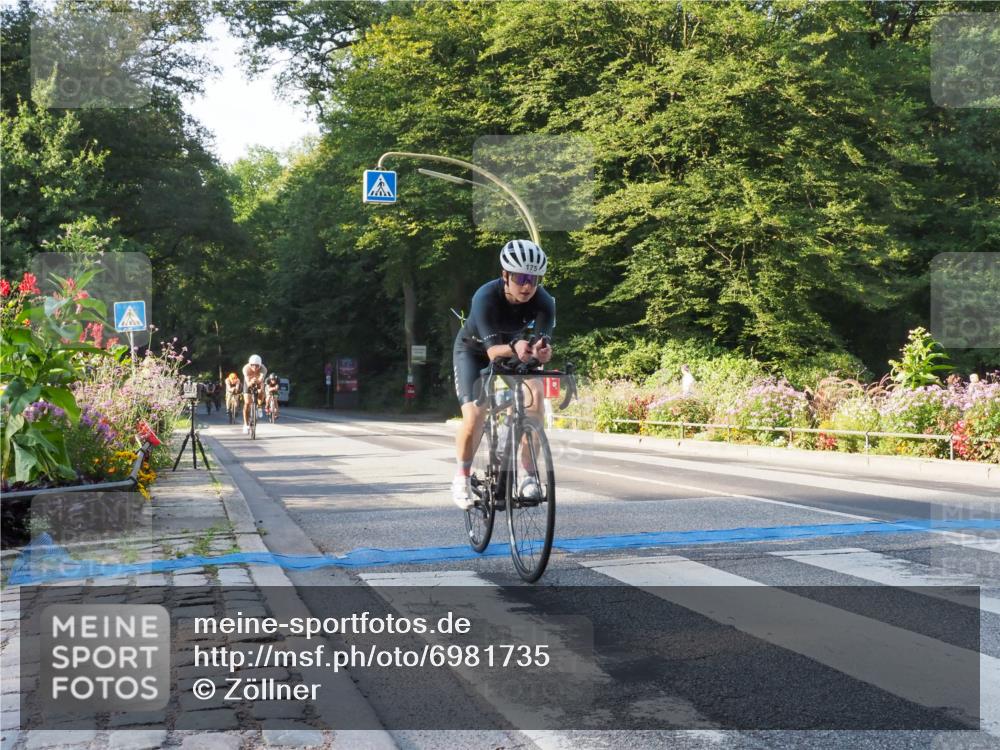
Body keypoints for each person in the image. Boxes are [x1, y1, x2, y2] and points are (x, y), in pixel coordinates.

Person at [451, 239, 555, 510]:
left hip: (514, 350)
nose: (527, 286)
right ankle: (461, 478)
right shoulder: (484, 297)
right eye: (520, 278)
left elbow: (539, 345)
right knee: (474, 415)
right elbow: (491, 353)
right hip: (474, 353)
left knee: (536, 398)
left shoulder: (544, 302)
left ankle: (528, 476)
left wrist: (542, 351)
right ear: (505, 275)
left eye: (533, 279)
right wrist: (515, 346)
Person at [242, 354, 268, 434]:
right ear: (249, 364)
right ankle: (246, 425)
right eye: (252, 365)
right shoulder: (246, 369)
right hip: (248, 382)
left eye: (257, 366)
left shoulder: (263, 369)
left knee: (262, 391)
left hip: (258, 381)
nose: (254, 368)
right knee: (247, 403)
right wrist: (251, 382)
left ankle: (259, 406)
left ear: (260, 365)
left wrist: (258, 385)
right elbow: (247, 382)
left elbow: (261, 380)